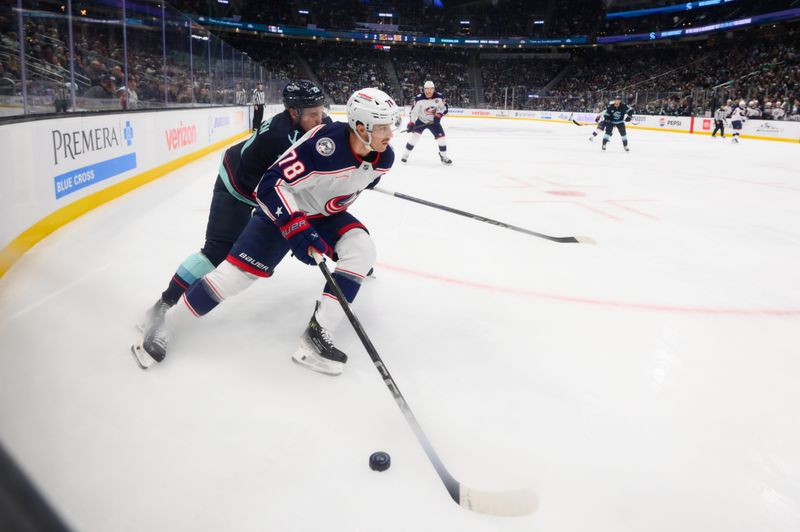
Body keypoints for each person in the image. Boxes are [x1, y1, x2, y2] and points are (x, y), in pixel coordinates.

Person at [131, 87, 401, 376]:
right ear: (360, 127)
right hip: (280, 210)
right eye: (383, 127)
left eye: (391, 126)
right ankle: (167, 324)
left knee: (361, 249)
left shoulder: (383, 158)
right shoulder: (322, 146)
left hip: (323, 214)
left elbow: (350, 182)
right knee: (233, 278)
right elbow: (270, 185)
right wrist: (297, 228)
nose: (390, 134)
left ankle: (317, 332)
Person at [137, 80, 329, 332]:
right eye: (313, 114)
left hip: (262, 189)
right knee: (216, 252)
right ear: (294, 112)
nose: (320, 118)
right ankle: (164, 304)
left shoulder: (313, 122)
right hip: (236, 187)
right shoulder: (279, 137)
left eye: (321, 111)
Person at [401, 80, 452, 165]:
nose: (428, 91)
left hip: (434, 122)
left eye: (431, 89)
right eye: (426, 89)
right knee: (414, 137)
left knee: (442, 139)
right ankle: (405, 155)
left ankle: (444, 157)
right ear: (424, 89)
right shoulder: (419, 98)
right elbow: (414, 112)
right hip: (421, 121)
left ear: (434, 89)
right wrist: (411, 123)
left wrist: (439, 115)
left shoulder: (439, 97)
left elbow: (445, 108)